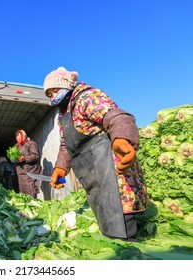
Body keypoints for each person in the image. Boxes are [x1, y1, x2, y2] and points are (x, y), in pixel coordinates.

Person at [43, 66, 149, 241]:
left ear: (66, 86)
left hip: (113, 172)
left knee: (121, 229)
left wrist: (122, 138)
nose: (53, 97)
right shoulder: (64, 114)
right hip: (94, 175)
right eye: (49, 94)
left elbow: (116, 117)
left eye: (55, 91)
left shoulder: (87, 97)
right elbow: (66, 145)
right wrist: (60, 167)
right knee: (107, 222)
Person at [14, 130, 42, 198]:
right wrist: (13, 158)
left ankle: (34, 206)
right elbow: (13, 157)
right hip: (21, 173)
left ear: (24, 135)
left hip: (30, 172)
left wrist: (24, 158)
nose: (18, 138)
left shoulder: (31, 143)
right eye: (17, 137)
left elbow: (35, 156)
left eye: (20, 136)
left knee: (31, 191)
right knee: (23, 195)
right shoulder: (17, 146)